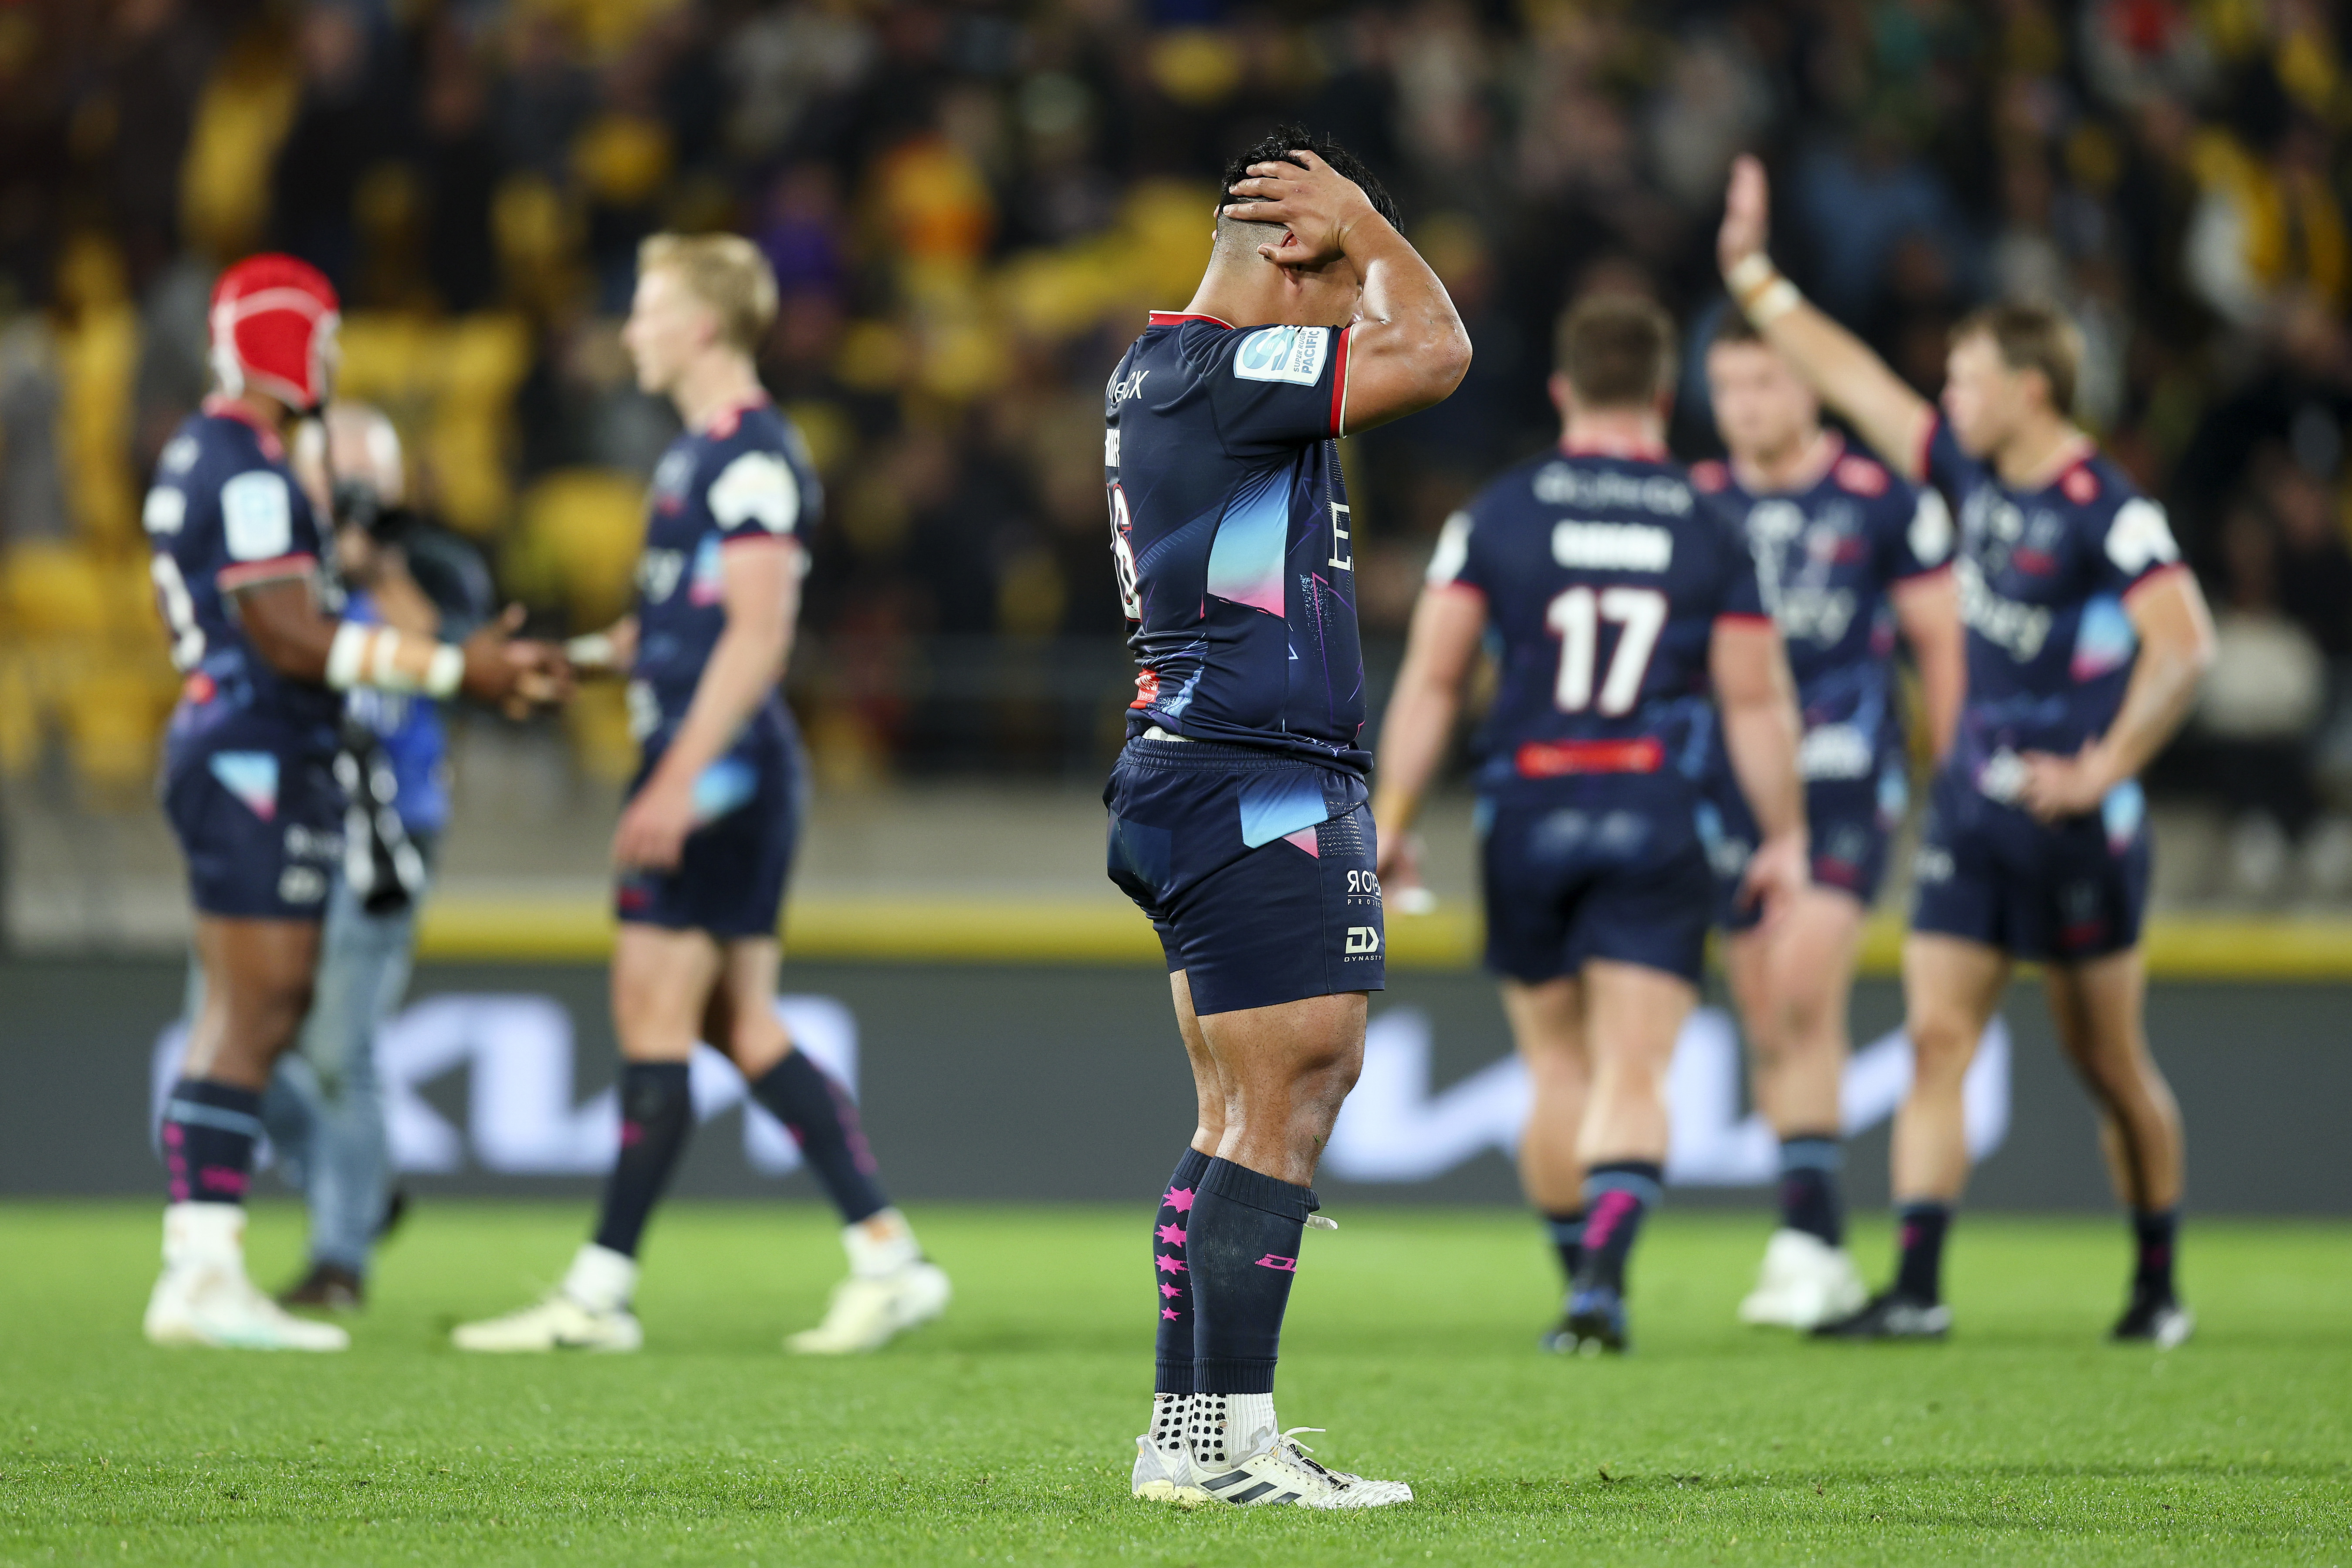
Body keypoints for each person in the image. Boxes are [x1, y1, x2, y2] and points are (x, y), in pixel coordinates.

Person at [1718, 155, 2214, 1345]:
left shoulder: (2107, 505)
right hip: (1975, 817)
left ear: (2034, 387)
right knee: (1936, 1038)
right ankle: (1921, 1287)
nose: (1949, 391)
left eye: (1970, 374)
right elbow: (1853, 376)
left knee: (2106, 1061)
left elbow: (2185, 645)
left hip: (2080, 822)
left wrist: (2105, 769)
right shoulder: (1962, 468)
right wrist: (1753, 275)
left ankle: (2156, 1280)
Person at [453, 233, 947, 1356]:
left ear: (705, 326)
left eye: (647, 306)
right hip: (712, 763)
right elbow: (678, 630)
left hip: (719, 772)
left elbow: (761, 635)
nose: (629, 327)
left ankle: (598, 1292)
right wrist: (581, 660)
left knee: (656, 1015)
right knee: (738, 1023)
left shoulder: (756, 457)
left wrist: (676, 780)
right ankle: (888, 1257)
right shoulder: (698, 458)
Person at [1106, 128, 1467, 1508]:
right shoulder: (1217, 369)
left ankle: (1191, 1440)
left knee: (1244, 1107)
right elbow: (1436, 353)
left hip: (1207, 768)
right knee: (1294, 1085)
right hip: (1250, 774)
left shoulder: (1178, 374)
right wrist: (1371, 220)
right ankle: (1224, 1446)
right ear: (1292, 251)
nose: (1356, 308)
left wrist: (1358, 237)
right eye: (1342, 274)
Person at [1373, 294, 1808, 1358]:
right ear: (1667, 396)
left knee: (1555, 1070)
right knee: (1634, 1069)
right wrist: (1788, 835)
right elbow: (1756, 702)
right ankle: (1607, 1277)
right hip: (1653, 808)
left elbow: (1435, 679)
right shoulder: (1711, 521)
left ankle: (1575, 1279)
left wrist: (1390, 819)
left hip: (1527, 805)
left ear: (1564, 391)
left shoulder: (1500, 513)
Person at [143, 254, 562, 1351]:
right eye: (320, 339)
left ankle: (206, 1260)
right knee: (257, 1017)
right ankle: (206, 1270)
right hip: (257, 754)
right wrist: (448, 669)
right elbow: (289, 634)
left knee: (260, 1017)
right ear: (285, 340)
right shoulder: (247, 465)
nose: (329, 360)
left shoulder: (213, 453)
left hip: (243, 750)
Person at [1693, 314, 1967, 1330]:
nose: (1747, 407)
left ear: (1809, 388)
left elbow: (1940, 644)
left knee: (1804, 987)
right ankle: (1812, 1232)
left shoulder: (1881, 498)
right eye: (1729, 388)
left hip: (1850, 775)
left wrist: (1955, 772)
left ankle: (1808, 1240)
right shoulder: (1701, 502)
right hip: (1732, 787)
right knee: (1768, 1006)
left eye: (1765, 383)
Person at [259, 402, 490, 1310]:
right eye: (336, 472)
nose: (351, 491)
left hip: (390, 827)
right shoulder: (277, 561)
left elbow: (460, 665)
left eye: (366, 473)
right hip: (287, 820)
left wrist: (380, 568)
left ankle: (339, 1259)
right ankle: (361, 1180)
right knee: (243, 1037)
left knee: (335, 1040)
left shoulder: (435, 562)